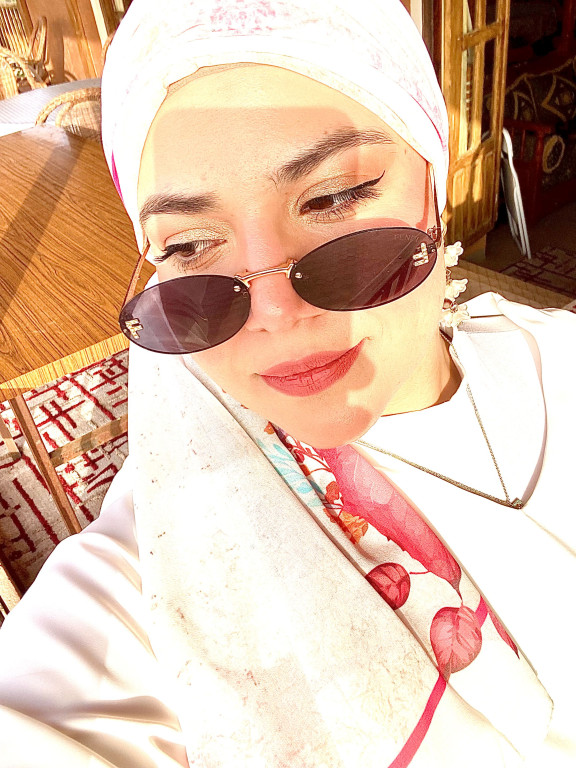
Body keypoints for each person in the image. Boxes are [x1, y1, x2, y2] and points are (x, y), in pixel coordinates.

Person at [0, 0, 575, 766]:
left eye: (334, 198)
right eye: (190, 245)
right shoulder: (159, 571)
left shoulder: (555, 348)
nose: (272, 311)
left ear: (433, 184)